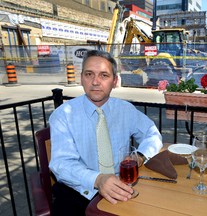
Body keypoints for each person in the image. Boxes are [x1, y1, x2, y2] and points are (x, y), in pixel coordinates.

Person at [49, 50, 163, 215]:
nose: (95, 82)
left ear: (115, 81)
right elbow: (61, 164)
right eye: (89, 74)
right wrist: (98, 179)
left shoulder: (125, 110)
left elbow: (152, 134)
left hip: (123, 185)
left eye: (104, 75)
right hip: (78, 190)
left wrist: (139, 156)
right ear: (81, 78)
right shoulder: (63, 115)